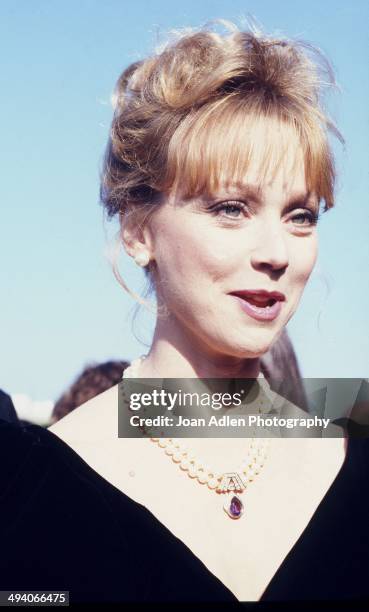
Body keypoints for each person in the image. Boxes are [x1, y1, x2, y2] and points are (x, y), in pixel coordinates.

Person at [35, 20, 368, 602]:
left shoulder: (350, 460)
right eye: (231, 208)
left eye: (301, 215)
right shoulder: (41, 485)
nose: (275, 254)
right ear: (139, 232)